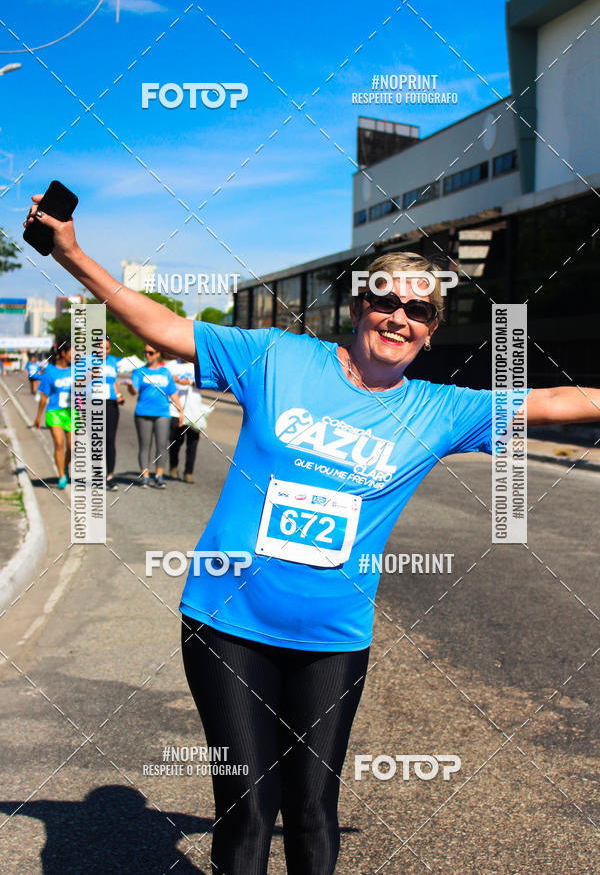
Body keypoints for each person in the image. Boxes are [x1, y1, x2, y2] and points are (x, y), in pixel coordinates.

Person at [24, 196, 600, 874]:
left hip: (333, 637)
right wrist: (69, 252)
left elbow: (561, 401)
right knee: (246, 808)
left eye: (419, 312)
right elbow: (162, 324)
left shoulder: (441, 409)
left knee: (312, 809)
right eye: (387, 301)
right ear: (360, 308)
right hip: (228, 623)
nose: (400, 318)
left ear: (431, 331)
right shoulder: (276, 358)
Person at [124, 346, 184, 488]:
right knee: (145, 446)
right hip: (143, 413)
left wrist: (180, 410)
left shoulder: (165, 372)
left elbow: (172, 392)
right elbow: (134, 391)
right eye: (145, 352)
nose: (148, 355)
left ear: (158, 354)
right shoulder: (139, 372)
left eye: (151, 353)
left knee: (162, 445)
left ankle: (159, 475)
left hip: (162, 413)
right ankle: (145, 476)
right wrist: (130, 386)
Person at [85, 335, 125, 491]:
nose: (104, 351)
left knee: (110, 440)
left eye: (107, 348)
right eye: (101, 348)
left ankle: (110, 476)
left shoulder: (113, 361)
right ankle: (96, 474)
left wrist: (119, 394)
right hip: (93, 403)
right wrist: (89, 376)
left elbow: (112, 380)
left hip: (110, 403)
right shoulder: (87, 361)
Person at [34, 337, 73, 490]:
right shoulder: (50, 371)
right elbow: (44, 396)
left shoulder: (76, 369)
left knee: (72, 447)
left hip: (72, 412)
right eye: (71, 351)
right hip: (55, 412)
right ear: (63, 353)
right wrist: (38, 417)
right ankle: (61, 475)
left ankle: (64, 465)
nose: (74, 354)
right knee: (59, 443)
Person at [165, 355, 200, 483]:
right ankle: (173, 467)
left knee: (193, 443)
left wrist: (190, 382)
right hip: (174, 411)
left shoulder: (198, 365)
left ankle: (188, 472)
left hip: (194, 412)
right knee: (175, 442)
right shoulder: (171, 365)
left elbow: (207, 383)